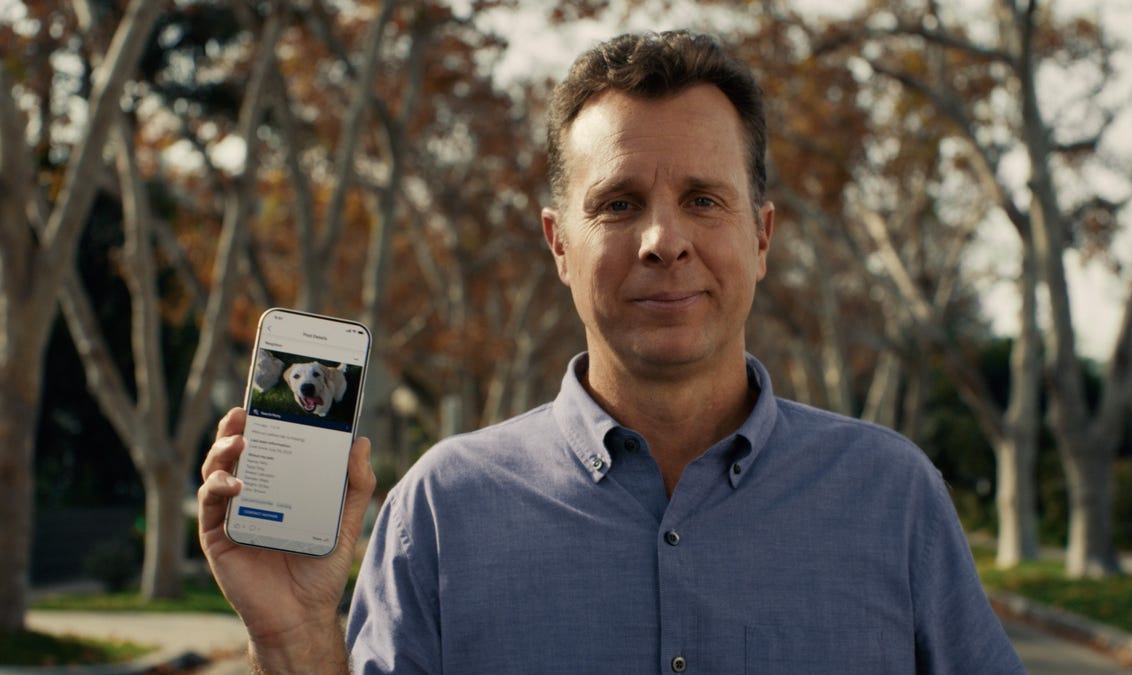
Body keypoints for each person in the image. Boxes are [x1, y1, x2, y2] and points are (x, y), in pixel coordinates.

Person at [198, 30, 1026, 674]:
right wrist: (297, 635)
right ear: (560, 244)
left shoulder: (893, 497)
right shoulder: (440, 513)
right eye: (620, 203)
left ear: (762, 235)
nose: (665, 239)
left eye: (704, 199)